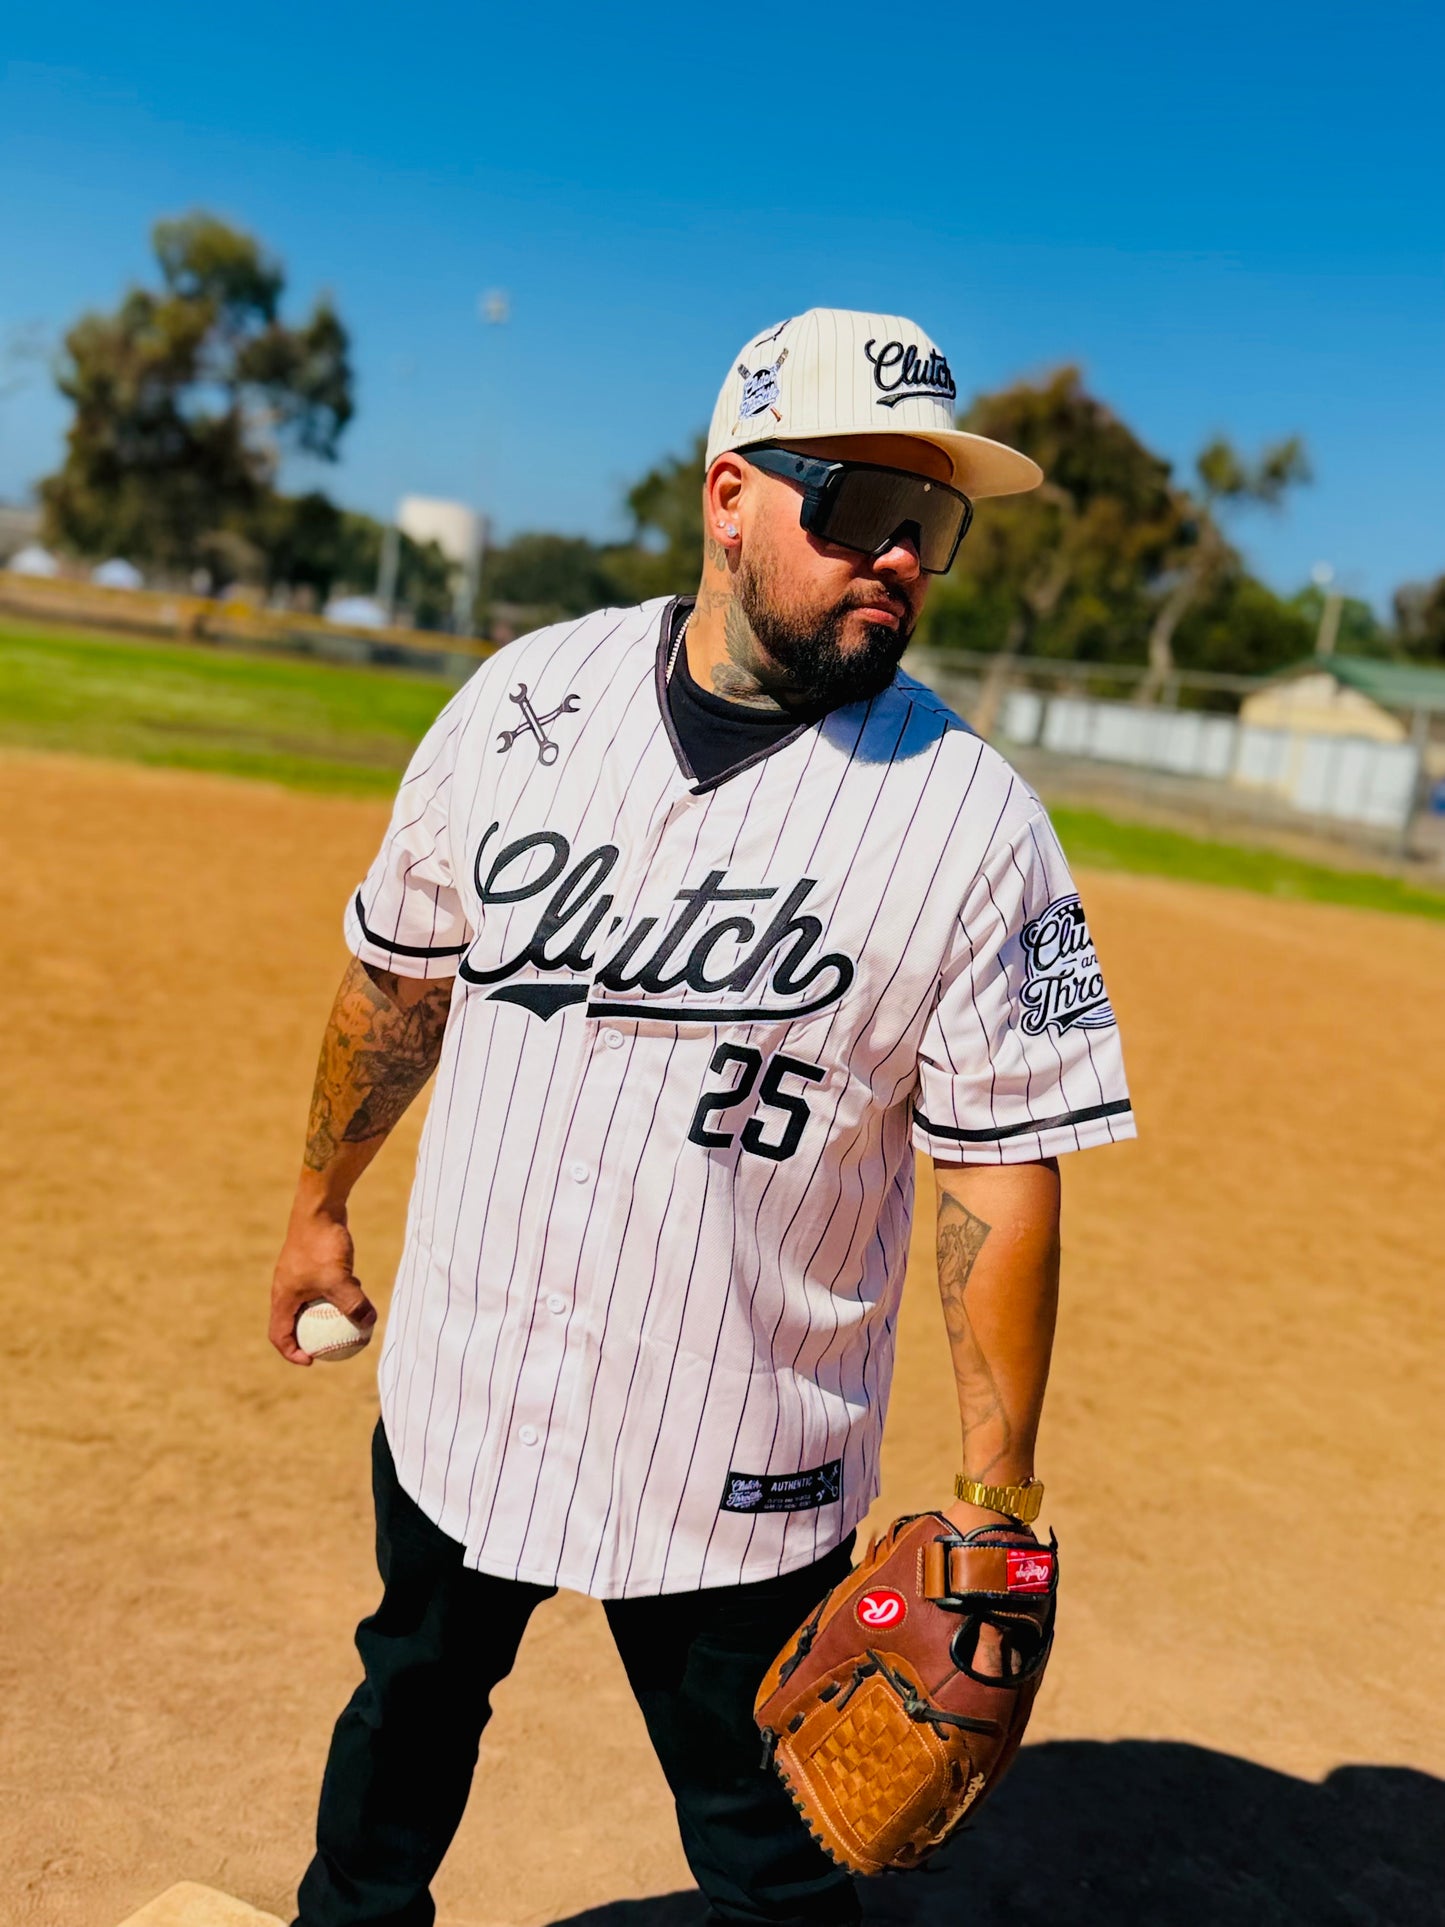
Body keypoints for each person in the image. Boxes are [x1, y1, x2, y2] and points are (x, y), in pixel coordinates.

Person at [269, 307, 1135, 1927]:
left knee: (765, 1851)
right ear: (729, 495)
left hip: (741, 1446)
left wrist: (994, 1497)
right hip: (469, 1381)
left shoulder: (971, 825)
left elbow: (1002, 1172)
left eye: (927, 522)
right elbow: (400, 984)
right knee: (405, 1715)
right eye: (853, 504)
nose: (897, 556)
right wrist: (320, 1204)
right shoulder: (527, 700)